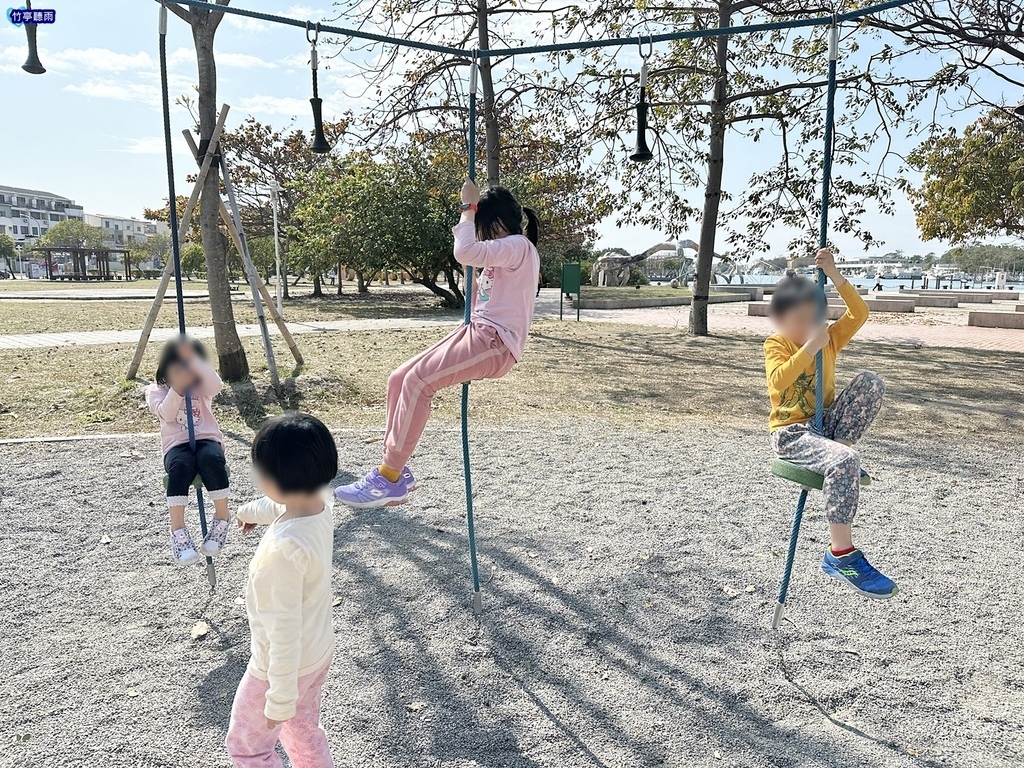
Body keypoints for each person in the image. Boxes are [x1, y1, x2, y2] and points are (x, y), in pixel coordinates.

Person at [334, 180, 541, 508]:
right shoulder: (503, 254)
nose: (481, 235)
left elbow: (465, 249)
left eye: (484, 228)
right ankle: (397, 471)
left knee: (419, 383)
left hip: (497, 342)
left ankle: (388, 476)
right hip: (478, 331)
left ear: (498, 223)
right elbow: (475, 279)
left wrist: (467, 209)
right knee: (399, 378)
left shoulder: (518, 246)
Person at [764, 250, 896, 599]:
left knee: (870, 382)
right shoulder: (776, 344)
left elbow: (860, 313)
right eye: (798, 319)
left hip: (824, 427)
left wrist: (835, 274)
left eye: (813, 317)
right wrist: (809, 347)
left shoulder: (830, 338)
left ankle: (836, 457)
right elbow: (778, 381)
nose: (806, 325)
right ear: (780, 318)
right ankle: (841, 554)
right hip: (792, 435)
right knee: (845, 462)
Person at [226, 413, 338, 768]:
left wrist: (279, 699)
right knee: (303, 731)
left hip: (278, 668)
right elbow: (277, 505)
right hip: (317, 651)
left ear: (274, 479)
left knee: (248, 747)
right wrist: (247, 511)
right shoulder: (321, 501)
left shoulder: (283, 552)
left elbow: (283, 630)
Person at [146, 337, 230, 565]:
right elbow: (167, 414)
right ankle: (178, 531)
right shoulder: (155, 391)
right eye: (176, 370)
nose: (181, 374)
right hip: (176, 445)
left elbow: (217, 385)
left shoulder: (200, 386)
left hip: (206, 438)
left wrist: (194, 360)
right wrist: (178, 389)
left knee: (211, 459)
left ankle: (222, 519)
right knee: (180, 466)